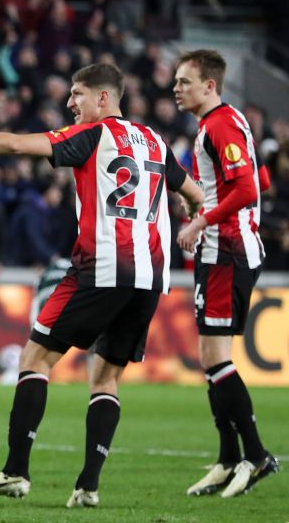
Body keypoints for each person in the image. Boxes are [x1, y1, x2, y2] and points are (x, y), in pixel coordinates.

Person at [0, 63, 204, 508]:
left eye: (78, 94)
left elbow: (14, 144)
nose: (70, 103)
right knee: (106, 376)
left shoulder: (93, 135)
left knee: (35, 358)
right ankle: (88, 485)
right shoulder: (155, 141)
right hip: (150, 276)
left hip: (102, 265)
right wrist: (191, 213)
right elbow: (196, 193)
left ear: (103, 99)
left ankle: (14, 471)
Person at [173, 49, 280, 498]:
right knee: (210, 358)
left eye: (184, 81)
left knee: (217, 360)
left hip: (227, 252)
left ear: (209, 86)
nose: (176, 89)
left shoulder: (218, 125)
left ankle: (254, 457)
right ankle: (227, 458)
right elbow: (262, 180)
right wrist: (201, 202)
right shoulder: (225, 122)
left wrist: (202, 219)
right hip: (226, 249)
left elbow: (249, 188)